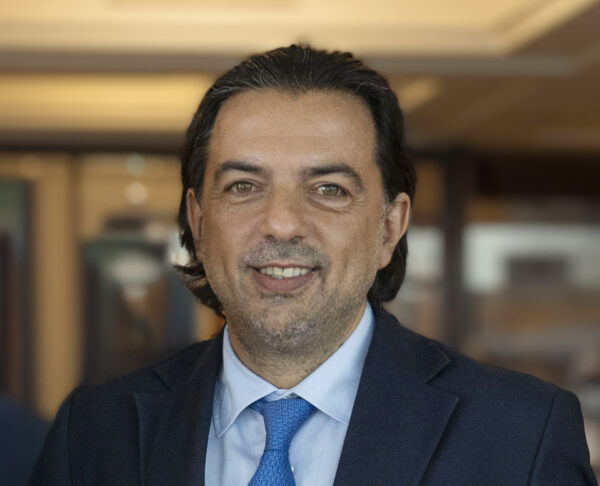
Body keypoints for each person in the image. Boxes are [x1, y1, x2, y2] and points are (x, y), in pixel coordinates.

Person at [31, 45, 597, 485]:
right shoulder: (95, 431)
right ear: (199, 224)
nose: (281, 224)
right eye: (244, 185)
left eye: (328, 189)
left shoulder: (522, 436)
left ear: (389, 227)